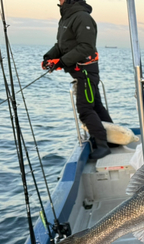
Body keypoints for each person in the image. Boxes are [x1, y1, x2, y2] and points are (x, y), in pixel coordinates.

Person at [42, 0, 113, 160]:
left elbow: (86, 47)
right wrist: (49, 58)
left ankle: (102, 145)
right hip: (79, 72)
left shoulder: (82, 17)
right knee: (96, 106)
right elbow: (61, 45)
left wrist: (60, 62)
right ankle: (112, 140)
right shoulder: (66, 18)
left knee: (85, 109)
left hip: (86, 72)